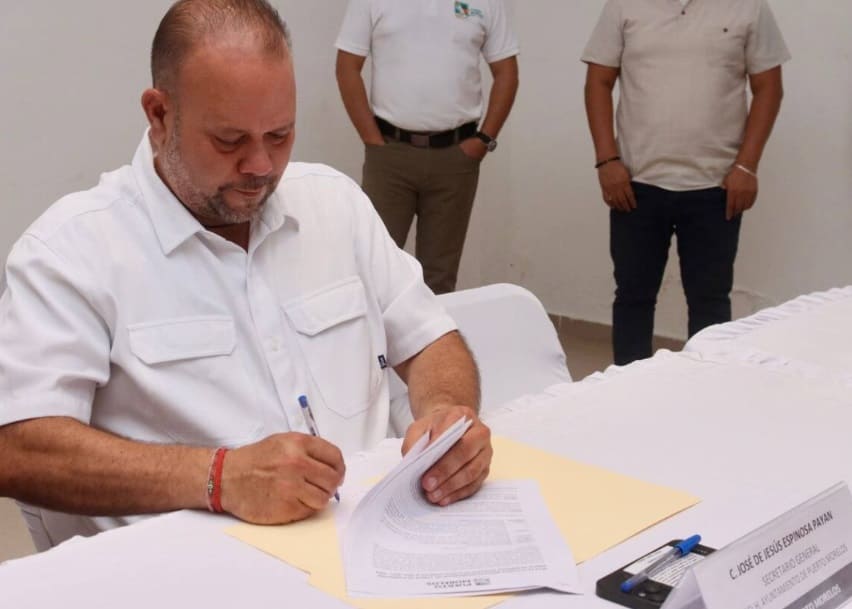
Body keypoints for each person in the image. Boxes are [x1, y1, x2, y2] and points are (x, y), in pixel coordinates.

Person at [0, 0, 491, 546]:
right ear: (159, 116)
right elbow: (19, 447)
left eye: (280, 135)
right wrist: (217, 478)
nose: (260, 166)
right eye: (229, 141)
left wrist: (446, 414)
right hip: (190, 569)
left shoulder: (334, 204)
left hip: (376, 546)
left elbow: (431, 340)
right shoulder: (72, 250)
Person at [582, 0, 790, 365]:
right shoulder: (623, 5)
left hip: (717, 188)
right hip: (635, 184)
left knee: (710, 303)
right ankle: (629, 390)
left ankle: (707, 389)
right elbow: (598, 82)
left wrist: (747, 167)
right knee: (633, 297)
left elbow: (769, 87)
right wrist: (606, 160)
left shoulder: (748, 6)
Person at [335, 0, 519, 294]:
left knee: (440, 277)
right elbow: (347, 66)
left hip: (456, 159)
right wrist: (372, 139)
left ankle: (432, 328)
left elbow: (507, 71)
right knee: (375, 269)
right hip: (390, 156)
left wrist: (484, 140)